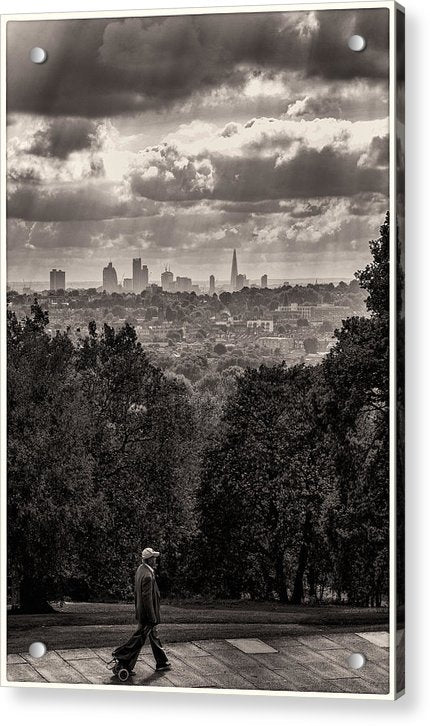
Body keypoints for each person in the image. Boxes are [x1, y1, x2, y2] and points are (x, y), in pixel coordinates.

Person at [111, 547, 171, 674]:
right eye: (154, 558)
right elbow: (147, 599)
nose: (156, 560)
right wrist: (152, 617)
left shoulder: (140, 570)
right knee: (138, 640)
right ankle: (124, 662)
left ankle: (161, 662)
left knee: (149, 637)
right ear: (149, 560)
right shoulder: (148, 575)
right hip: (147, 615)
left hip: (142, 613)